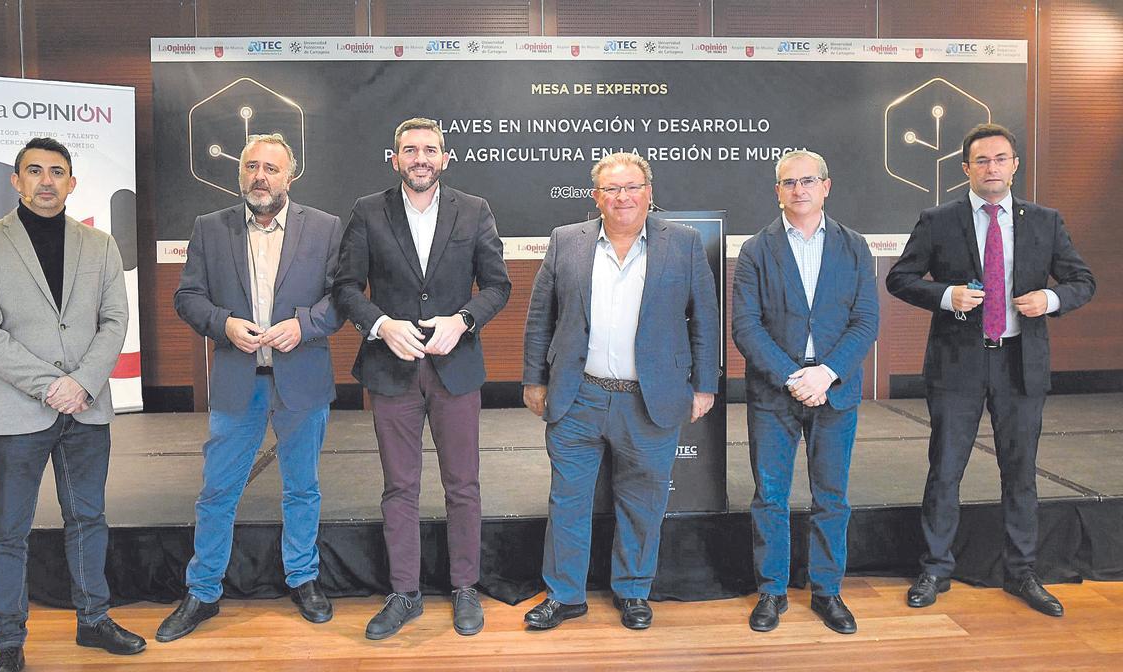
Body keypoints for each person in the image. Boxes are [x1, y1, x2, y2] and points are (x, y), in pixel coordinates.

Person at [886, 123, 1094, 616]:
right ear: (965, 169)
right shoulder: (938, 219)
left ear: (1015, 164)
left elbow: (1082, 280)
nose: (992, 168)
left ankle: (1021, 571)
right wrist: (945, 295)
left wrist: (1049, 298)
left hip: (1020, 364)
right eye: (982, 161)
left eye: (1001, 159)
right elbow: (900, 278)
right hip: (958, 364)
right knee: (945, 470)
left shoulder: (1045, 221)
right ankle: (936, 567)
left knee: (1020, 472)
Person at [0, 137, 143, 672]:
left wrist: (81, 382)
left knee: (89, 518)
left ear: (71, 182)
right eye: (33, 170)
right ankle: (8, 641)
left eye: (56, 172)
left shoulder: (101, 245)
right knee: (8, 529)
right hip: (18, 414)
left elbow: (114, 322)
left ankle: (94, 620)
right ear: (15, 181)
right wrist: (50, 386)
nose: (45, 180)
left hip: (86, 408)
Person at [521, 152, 719, 631]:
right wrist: (533, 378)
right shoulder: (566, 241)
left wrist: (706, 387)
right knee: (567, 501)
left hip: (650, 399)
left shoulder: (685, 244)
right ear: (597, 197)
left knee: (642, 501)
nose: (622, 197)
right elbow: (540, 316)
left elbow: (706, 320)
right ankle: (565, 595)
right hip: (577, 396)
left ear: (649, 192)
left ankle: (633, 591)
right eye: (611, 189)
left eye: (632, 187)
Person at [158, 133, 345, 641]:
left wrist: (304, 325)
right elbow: (187, 297)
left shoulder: (326, 229)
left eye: (271, 168)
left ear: (290, 174)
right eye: (251, 167)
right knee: (217, 491)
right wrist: (224, 324)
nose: (260, 177)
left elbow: (343, 298)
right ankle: (203, 591)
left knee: (302, 488)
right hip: (239, 382)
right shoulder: (209, 229)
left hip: (300, 380)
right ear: (240, 173)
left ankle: (303, 579)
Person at [334, 117, 511, 640]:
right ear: (395, 159)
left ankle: (464, 588)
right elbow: (345, 287)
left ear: (445, 158)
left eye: (430, 149)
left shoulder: (474, 210)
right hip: (391, 371)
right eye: (410, 150)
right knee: (399, 487)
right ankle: (404, 593)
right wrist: (380, 325)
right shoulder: (368, 211)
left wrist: (464, 320)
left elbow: (497, 286)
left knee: (463, 485)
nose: (420, 158)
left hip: (456, 369)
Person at [731, 150, 878, 634]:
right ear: (777, 191)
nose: (799, 189)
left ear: (826, 186)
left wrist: (828, 372)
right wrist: (794, 376)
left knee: (831, 496)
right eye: (789, 182)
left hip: (835, 391)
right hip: (776, 391)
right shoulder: (756, 249)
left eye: (808, 180)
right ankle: (771, 592)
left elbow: (865, 321)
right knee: (769, 496)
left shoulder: (854, 246)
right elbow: (747, 327)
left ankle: (827, 590)